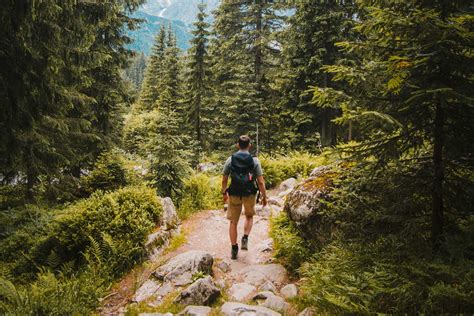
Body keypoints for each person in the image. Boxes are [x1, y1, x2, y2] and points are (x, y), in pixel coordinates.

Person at [222, 135, 267, 259]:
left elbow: (224, 179)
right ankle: (245, 237)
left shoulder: (230, 160)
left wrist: (224, 193)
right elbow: (261, 182)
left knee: (233, 222)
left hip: (234, 193)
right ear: (249, 146)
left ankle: (234, 247)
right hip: (249, 193)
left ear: (238, 145)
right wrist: (264, 197)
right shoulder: (255, 161)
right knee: (249, 216)